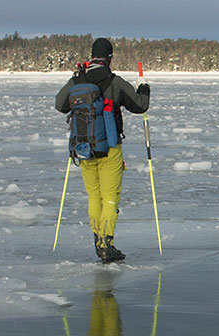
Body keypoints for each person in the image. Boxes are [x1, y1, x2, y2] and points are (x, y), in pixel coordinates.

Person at [55, 37, 150, 263]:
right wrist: (145, 89)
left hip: (84, 150)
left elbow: (60, 105)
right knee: (109, 198)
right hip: (110, 149)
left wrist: (75, 85)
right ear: (109, 57)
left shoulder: (78, 79)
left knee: (94, 196)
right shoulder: (113, 81)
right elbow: (140, 105)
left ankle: (98, 239)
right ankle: (106, 243)